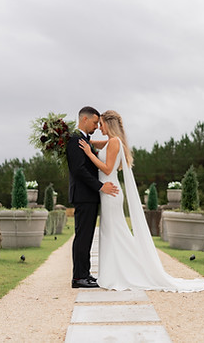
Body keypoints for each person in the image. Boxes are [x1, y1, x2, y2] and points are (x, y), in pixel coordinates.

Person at [79, 110, 204, 292]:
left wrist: (89, 154)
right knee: (110, 232)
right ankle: (114, 272)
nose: (99, 127)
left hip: (110, 191)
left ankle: (123, 273)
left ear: (109, 124)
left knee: (115, 232)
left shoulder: (114, 142)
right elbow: (93, 142)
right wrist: (78, 139)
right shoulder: (111, 141)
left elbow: (107, 169)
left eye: (102, 123)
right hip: (107, 193)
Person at [67, 106, 118, 289]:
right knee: (82, 237)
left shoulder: (84, 140)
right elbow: (78, 170)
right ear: (85, 119)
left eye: (99, 123)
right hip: (83, 196)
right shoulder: (75, 140)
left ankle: (84, 273)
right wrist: (100, 186)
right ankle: (78, 277)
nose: (97, 126)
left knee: (86, 237)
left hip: (89, 196)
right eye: (95, 122)